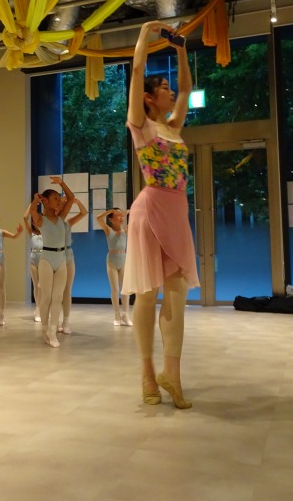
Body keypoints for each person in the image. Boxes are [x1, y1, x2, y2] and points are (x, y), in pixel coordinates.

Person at [122, 21, 199, 409]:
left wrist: (181, 49)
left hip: (176, 211)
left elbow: (186, 89)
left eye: (169, 87)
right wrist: (144, 35)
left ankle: (173, 374)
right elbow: (136, 70)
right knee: (147, 292)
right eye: (163, 88)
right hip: (150, 210)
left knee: (177, 292)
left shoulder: (173, 127)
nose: (171, 91)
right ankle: (147, 374)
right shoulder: (142, 126)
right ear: (149, 98)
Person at [29, 178, 74, 347]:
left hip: (61, 259)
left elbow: (71, 198)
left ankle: (53, 331)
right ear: (46, 202)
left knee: (58, 297)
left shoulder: (61, 217)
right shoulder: (41, 220)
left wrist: (62, 183)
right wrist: (36, 200)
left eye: (59, 198)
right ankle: (44, 328)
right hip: (46, 259)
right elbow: (32, 211)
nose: (59, 200)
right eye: (55, 198)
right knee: (46, 296)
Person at [58, 197, 88, 335]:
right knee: (56, 292)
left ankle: (65, 321)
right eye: (60, 204)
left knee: (67, 290)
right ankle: (55, 321)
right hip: (56, 255)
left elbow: (84, 213)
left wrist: (77, 202)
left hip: (69, 254)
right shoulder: (51, 222)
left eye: (65, 204)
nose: (63, 206)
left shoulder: (68, 223)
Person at [96, 208, 130, 326]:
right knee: (115, 289)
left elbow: (138, 220)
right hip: (112, 261)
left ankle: (126, 315)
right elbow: (98, 218)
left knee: (125, 288)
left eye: (122, 216)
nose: (121, 218)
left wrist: (128, 212)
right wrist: (111, 210)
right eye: (118, 216)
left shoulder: (126, 229)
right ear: (111, 219)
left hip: (123, 260)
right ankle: (117, 316)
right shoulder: (108, 230)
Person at [23, 199, 43, 322]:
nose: (36, 223)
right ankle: (37, 308)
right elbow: (25, 218)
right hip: (33, 259)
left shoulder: (46, 233)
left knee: (41, 286)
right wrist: (32, 204)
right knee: (36, 285)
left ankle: (41, 308)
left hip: (44, 259)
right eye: (35, 221)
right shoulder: (32, 233)